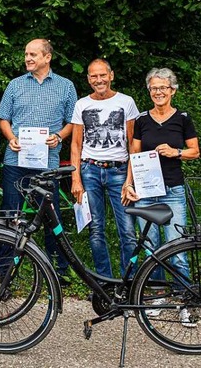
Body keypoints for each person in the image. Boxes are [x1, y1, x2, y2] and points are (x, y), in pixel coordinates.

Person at [122, 68, 199, 325]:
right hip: (145, 191)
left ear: (172, 90)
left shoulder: (183, 118)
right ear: (149, 91)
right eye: (154, 88)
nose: (158, 92)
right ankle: (157, 295)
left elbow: (195, 151)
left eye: (163, 88)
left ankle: (185, 300)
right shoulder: (142, 120)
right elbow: (134, 155)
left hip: (173, 190)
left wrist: (176, 152)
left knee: (176, 247)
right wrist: (128, 184)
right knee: (150, 248)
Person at [0, 39, 77, 279]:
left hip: (47, 163)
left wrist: (60, 136)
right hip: (16, 160)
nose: (28, 58)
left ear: (47, 57)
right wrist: (11, 138)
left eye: (33, 54)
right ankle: (4, 268)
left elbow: (74, 120)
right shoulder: (15, 85)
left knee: (52, 215)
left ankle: (58, 269)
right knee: (11, 213)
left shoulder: (66, 86)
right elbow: (3, 118)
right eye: (26, 54)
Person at [70, 58, 139, 278]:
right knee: (95, 229)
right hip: (89, 170)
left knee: (127, 231)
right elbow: (76, 144)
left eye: (102, 75)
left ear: (111, 75)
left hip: (119, 171)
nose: (98, 80)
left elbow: (133, 143)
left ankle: (128, 282)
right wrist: (75, 179)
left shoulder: (126, 102)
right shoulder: (82, 104)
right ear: (88, 79)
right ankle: (105, 281)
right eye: (93, 76)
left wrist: (130, 179)